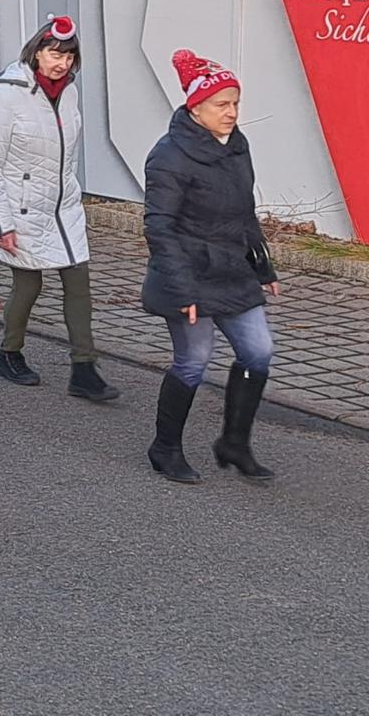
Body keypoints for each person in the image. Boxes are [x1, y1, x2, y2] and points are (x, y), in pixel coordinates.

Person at [142, 50, 280, 484]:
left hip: (232, 271)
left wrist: (262, 267)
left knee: (258, 351)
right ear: (195, 107)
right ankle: (165, 448)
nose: (232, 112)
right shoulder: (169, 156)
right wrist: (183, 292)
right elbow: (159, 228)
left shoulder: (237, 145)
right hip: (187, 275)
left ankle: (234, 443)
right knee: (193, 360)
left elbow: (244, 211)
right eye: (222, 104)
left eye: (235, 103)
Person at [0, 17, 118, 401]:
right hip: (20, 208)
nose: (62, 63)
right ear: (37, 51)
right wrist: (0, 222)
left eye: (69, 56)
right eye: (55, 54)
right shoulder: (5, 94)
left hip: (63, 206)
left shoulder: (68, 92)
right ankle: (9, 353)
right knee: (29, 284)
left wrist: (71, 194)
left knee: (78, 281)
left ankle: (84, 368)